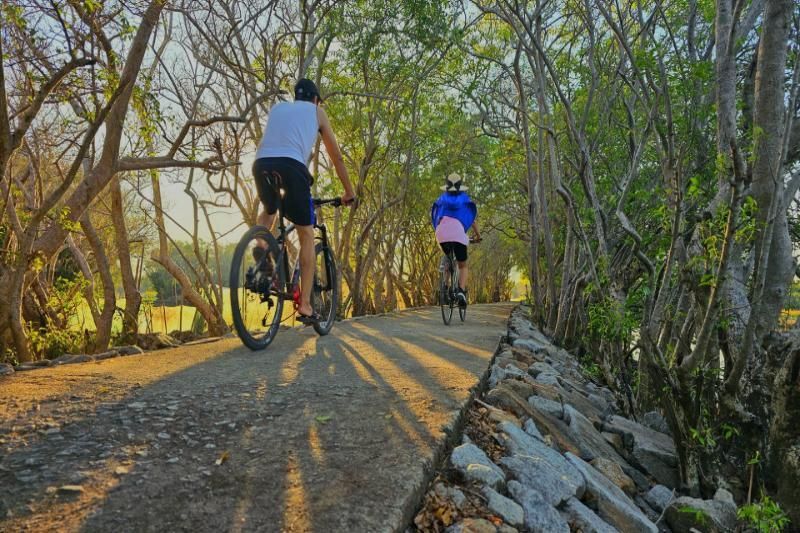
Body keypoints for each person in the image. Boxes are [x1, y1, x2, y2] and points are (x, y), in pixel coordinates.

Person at [253, 78, 355, 323]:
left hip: (261, 162)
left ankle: (260, 246)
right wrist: (349, 191)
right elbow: (336, 157)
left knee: (270, 209)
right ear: (316, 99)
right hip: (292, 167)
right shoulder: (316, 111)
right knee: (307, 236)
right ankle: (306, 305)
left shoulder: (278, 108)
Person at [430, 173, 481, 306]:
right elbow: (472, 220)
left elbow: (434, 215)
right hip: (458, 234)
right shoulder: (464, 199)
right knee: (462, 265)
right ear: (460, 187)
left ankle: (445, 287)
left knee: (447, 257)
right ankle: (461, 291)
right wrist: (478, 236)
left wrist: (439, 230)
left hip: (441, 233)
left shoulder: (441, 199)